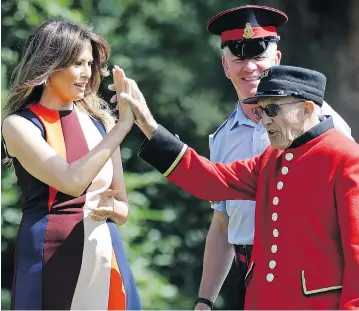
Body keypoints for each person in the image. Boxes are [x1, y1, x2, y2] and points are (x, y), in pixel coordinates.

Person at [113, 64, 359, 309]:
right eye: (261, 111)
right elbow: (211, 180)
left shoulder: (346, 157)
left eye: (272, 109)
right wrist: (147, 125)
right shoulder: (272, 158)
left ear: (306, 109)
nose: (264, 121)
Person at [198, 5, 354, 310]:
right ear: (225, 66)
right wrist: (205, 300)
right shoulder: (222, 138)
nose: (250, 68)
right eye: (239, 58)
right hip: (252, 273)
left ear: (277, 59)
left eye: (259, 57)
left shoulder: (325, 122)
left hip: (313, 274)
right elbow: (222, 223)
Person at [2, 19, 141, 310]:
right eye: (78, 63)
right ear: (49, 65)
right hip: (49, 257)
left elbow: (124, 209)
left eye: (90, 64)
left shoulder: (102, 123)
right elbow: (71, 181)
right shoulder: (19, 125)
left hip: (105, 252)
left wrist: (111, 209)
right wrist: (123, 126)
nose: (87, 73)